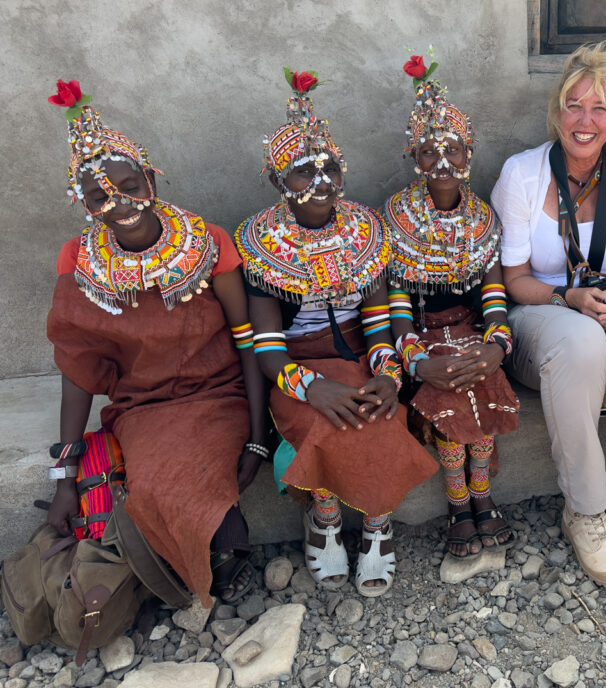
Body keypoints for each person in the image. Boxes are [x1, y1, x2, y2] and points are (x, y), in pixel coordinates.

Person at [44, 80, 265, 605]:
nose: (119, 202)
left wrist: (260, 435)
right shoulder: (78, 261)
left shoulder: (207, 241)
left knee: (210, 464)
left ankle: (218, 556)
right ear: (83, 202)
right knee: (152, 483)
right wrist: (64, 476)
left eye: (129, 185)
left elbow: (247, 339)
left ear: (151, 179)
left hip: (220, 392)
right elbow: (77, 368)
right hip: (142, 405)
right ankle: (206, 566)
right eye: (100, 195)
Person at [235, 69, 437, 597]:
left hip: (355, 358)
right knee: (324, 424)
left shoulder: (365, 230)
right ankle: (324, 523)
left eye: (328, 166)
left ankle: (376, 525)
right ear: (279, 182)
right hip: (296, 367)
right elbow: (267, 350)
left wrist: (389, 375)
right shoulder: (259, 243)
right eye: (303, 171)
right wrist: (311, 388)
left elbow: (376, 325)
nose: (321, 179)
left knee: (384, 420)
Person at [491, 42, 606, 589]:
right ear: (557, 113)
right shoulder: (522, 175)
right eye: (574, 105)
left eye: (599, 108)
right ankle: (586, 510)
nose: (585, 120)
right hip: (543, 312)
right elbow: (515, 281)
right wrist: (568, 299)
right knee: (581, 343)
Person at [381, 55, 519, 559]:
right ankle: (459, 505)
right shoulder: (395, 218)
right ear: (414, 158)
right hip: (421, 340)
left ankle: (481, 495)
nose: (442, 163)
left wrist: (496, 348)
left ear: (469, 155)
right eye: (428, 152)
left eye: (453, 151)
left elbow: (495, 298)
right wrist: (417, 361)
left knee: (482, 381)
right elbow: (395, 306)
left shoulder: (483, 218)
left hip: (472, 335)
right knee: (449, 397)